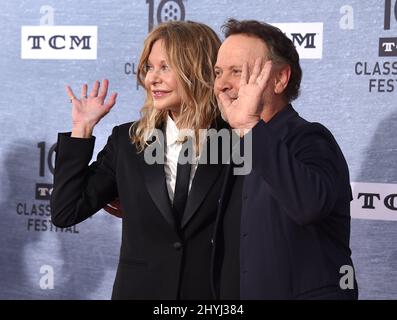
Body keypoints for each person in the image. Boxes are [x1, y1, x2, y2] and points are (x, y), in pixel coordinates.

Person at [50, 21, 228, 299]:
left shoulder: (237, 140)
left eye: (165, 67)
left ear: (198, 70)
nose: (151, 78)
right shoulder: (129, 141)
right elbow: (66, 212)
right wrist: (81, 130)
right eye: (149, 67)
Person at [211, 19, 358, 299]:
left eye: (237, 72)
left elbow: (308, 205)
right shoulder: (233, 144)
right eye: (218, 72)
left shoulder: (311, 139)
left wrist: (250, 127)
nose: (221, 84)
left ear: (280, 79)